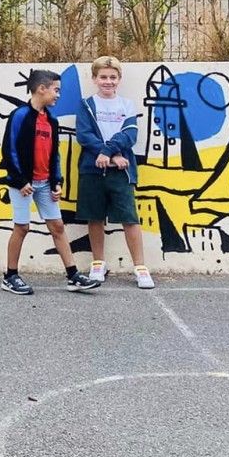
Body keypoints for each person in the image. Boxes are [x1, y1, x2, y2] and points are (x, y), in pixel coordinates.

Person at [0, 71, 100, 295]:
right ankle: (10, 276)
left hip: (45, 183)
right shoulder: (19, 116)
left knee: (58, 227)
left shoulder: (51, 121)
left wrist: (57, 181)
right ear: (41, 89)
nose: (58, 95)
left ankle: (73, 276)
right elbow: (9, 150)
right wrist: (20, 180)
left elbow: (54, 154)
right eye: (56, 90)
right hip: (22, 184)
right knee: (22, 227)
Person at [76, 56, 155, 289]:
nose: (108, 81)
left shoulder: (127, 105)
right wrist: (109, 155)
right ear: (94, 79)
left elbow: (130, 134)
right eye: (103, 77)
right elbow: (84, 135)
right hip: (92, 169)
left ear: (119, 79)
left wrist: (109, 152)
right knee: (95, 217)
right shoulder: (87, 104)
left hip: (122, 171)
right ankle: (98, 263)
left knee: (129, 218)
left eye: (112, 77)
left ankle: (140, 267)